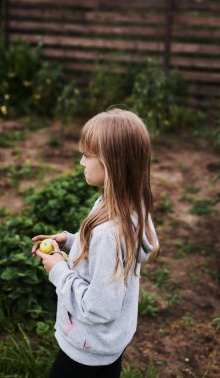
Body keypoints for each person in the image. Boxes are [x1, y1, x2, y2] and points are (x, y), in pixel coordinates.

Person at [31, 108, 160, 378]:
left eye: (88, 155)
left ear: (111, 163)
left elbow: (98, 308)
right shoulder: (127, 208)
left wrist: (58, 269)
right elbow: (102, 255)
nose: (81, 162)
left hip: (87, 350)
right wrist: (68, 242)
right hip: (108, 343)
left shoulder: (109, 233)